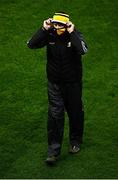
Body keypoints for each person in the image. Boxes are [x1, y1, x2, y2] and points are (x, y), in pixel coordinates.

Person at [27, 12, 88, 165]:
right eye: (55, 23)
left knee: (75, 112)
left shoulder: (74, 34)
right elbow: (31, 44)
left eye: (60, 24)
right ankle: (53, 152)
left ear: (67, 24)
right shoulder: (49, 34)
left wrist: (72, 32)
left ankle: (75, 141)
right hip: (54, 83)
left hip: (73, 83)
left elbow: (83, 50)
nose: (57, 27)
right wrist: (43, 28)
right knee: (55, 115)